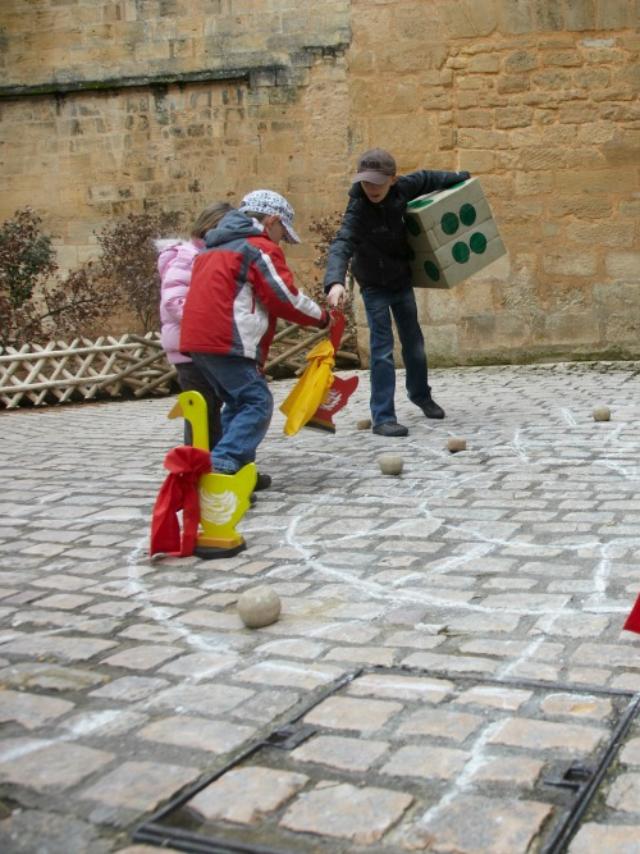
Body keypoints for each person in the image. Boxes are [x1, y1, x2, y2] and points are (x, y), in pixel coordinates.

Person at [180, 189, 330, 479]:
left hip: (198, 340)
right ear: (272, 221)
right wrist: (321, 317)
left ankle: (239, 468)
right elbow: (283, 296)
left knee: (238, 403)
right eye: (282, 234)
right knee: (256, 401)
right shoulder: (257, 247)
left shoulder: (213, 248)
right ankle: (224, 465)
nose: (281, 242)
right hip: (227, 339)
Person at [324, 148, 470, 437]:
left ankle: (421, 395)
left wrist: (458, 178)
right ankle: (383, 417)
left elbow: (428, 178)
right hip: (374, 287)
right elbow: (341, 244)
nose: (372, 189)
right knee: (381, 352)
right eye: (366, 182)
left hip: (401, 280)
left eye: (378, 182)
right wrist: (335, 282)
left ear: (393, 179)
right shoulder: (358, 209)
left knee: (414, 344)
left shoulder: (403, 188)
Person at [157, 201, 232, 452]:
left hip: (199, 346)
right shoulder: (188, 257)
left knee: (210, 408)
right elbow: (174, 301)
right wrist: (209, 324)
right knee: (201, 410)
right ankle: (202, 469)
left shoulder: (205, 256)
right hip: (189, 349)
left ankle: (215, 465)